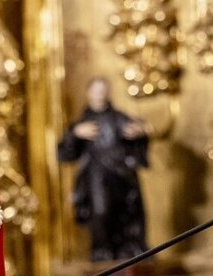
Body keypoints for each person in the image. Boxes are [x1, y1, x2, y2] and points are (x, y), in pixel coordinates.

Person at [57, 76, 149, 261]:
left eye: (102, 91)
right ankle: (102, 253)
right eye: (96, 91)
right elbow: (65, 151)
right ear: (89, 94)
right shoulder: (83, 123)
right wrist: (75, 134)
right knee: (101, 212)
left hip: (122, 175)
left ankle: (129, 252)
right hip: (97, 176)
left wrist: (140, 132)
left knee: (128, 213)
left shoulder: (118, 118)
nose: (99, 95)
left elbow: (139, 132)